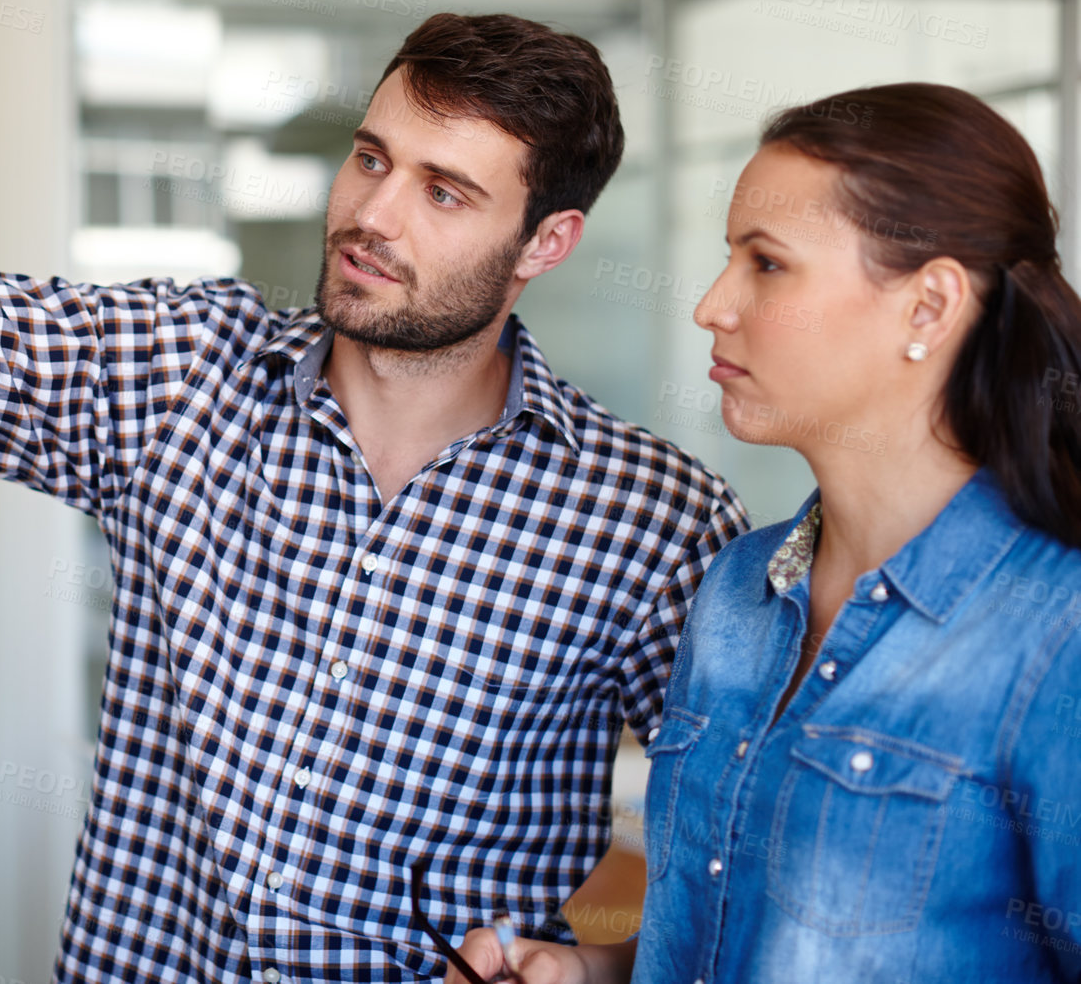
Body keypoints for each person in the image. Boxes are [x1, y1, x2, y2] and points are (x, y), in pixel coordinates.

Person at [0, 12, 748, 982]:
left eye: (444, 192)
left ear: (545, 243)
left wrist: (597, 972)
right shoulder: (189, 375)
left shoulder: (649, 521)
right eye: (373, 157)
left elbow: (750, 845)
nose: (372, 214)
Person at [447, 82, 1081, 983]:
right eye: (728, 259)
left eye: (768, 264)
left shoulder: (1055, 631)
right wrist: (589, 973)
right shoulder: (739, 588)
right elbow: (729, 941)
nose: (712, 305)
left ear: (930, 307)